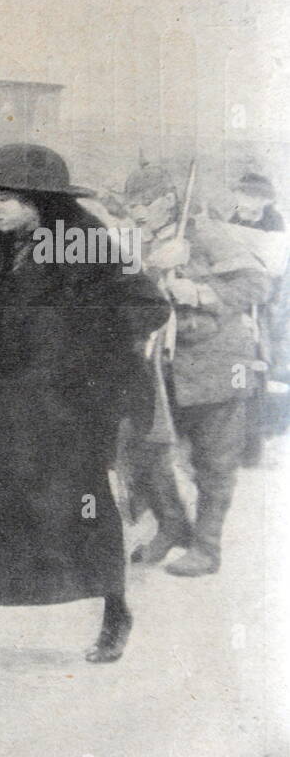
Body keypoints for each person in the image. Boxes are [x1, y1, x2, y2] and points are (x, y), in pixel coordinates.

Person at [0, 144, 170, 663]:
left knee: (82, 509)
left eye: (7, 198)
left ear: (40, 201)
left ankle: (115, 611)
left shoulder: (82, 238)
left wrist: (83, 344)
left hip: (73, 408)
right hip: (6, 399)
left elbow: (148, 306)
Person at [123, 164, 271, 576]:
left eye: (144, 204)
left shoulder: (206, 233)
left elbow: (258, 285)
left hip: (214, 366)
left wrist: (200, 290)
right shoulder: (139, 240)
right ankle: (172, 527)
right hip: (160, 367)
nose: (136, 212)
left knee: (214, 462)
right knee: (144, 453)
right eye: (130, 204)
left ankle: (206, 550)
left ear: (168, 202)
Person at [227, 172, 285, 467]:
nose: (246, 204)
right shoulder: (235, 219)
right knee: (234, 376)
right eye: (242, 197)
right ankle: (234, 443)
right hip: (237, 306)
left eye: (252, 198)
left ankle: (251, 446)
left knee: (253, 376)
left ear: (264, 199)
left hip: (259, 309)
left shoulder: (273, 224)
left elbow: (272, 265)